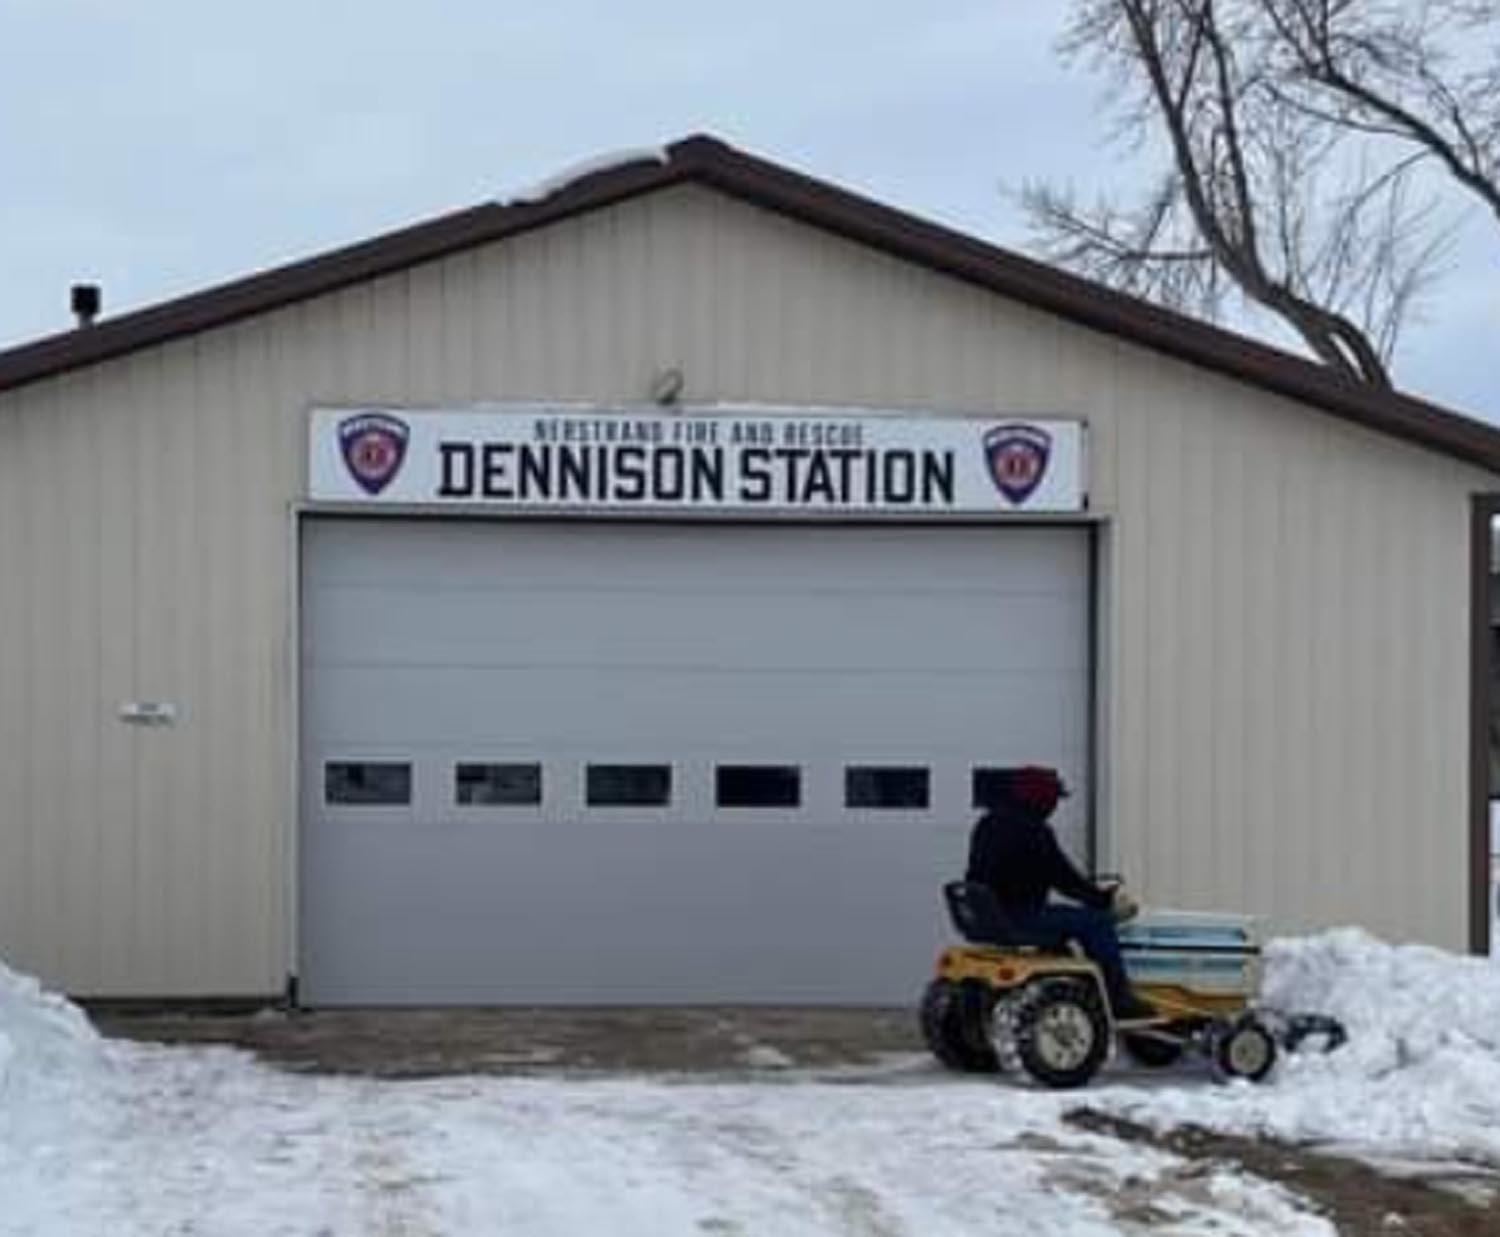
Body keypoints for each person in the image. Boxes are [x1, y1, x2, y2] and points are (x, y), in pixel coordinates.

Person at [965, 765, 1153, 1020]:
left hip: (993, 914)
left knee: (1066, 920)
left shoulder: (987, 823)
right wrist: (1104, 899)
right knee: (1096, 923)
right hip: (1020, 915)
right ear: (1041, 799)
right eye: (1054, 799)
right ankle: (1119, 996)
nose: (1055, 806)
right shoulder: (1033, 831)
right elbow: (1064, 879)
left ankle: (1072, 982)